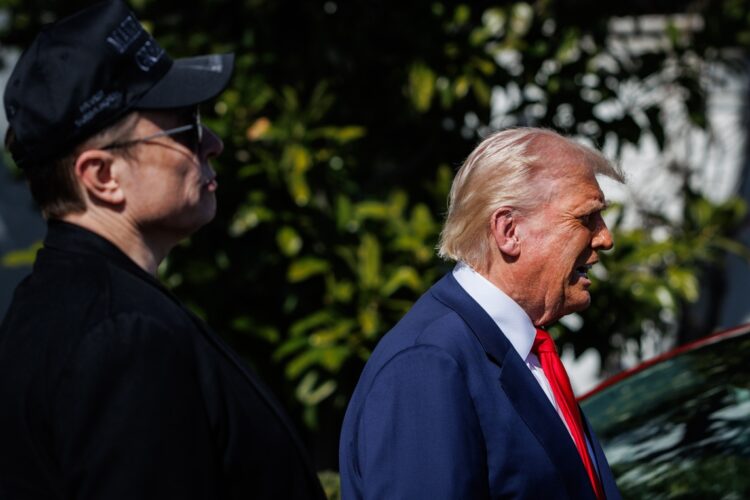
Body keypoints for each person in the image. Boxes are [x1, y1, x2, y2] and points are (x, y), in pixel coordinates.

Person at [0, 1, 325, 499]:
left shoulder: (54, 305)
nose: (213, 142)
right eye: (186, 127)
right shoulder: (123, 338)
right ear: (103, 176)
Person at [339, 128, 624, 499]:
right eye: (587, 218)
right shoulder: (428, 364)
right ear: (509, 231)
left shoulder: (517, 348)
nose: (605, 238)